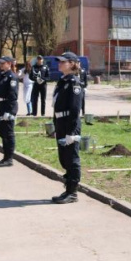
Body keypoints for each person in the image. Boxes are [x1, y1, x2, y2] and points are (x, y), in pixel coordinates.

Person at [50, 52, 84, 204]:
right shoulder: (62, 81)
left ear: (72, 63)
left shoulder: (74, 83)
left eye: (63, 62)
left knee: (72, 158)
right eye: (59, 61)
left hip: (70, 124)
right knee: (64, 158)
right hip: (61, 122)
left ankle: (73, 192)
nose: (59, 64)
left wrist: (71, 132)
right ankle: (68, 189)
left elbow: (75, 109)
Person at [0, 56, 19, 167]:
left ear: (9, 64)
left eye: (3, 63)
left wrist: (10, 111)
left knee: (8, 133)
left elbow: (13, 95)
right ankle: (5, 157)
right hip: (0, 105)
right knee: (2, 133)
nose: (1, 65)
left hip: (7, 106)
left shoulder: (12, 77)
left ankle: (9, 158)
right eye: (0, 63)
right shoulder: (1, 75)